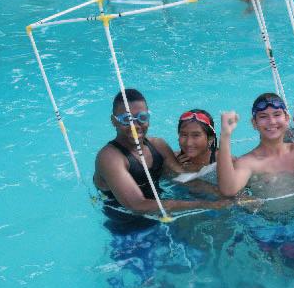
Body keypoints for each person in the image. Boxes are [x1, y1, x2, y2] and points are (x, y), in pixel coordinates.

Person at [94, 89, 229, 232]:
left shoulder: (158, 145)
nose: (135, 126)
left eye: (142, 117)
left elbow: (183, 179)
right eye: (127, 119)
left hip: (164, 217)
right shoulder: (110, 158)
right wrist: (207, 205)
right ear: (114, 121)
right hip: (128, 229)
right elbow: (137, 205)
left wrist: (223, 195)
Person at [217, 92, 294, 199]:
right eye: (263, 116)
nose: (272, 121)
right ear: (254, 123)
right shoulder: (248, 162)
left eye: (277, 115)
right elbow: (229, 190)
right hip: (263, 220)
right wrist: (225, 136)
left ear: (287, 118)